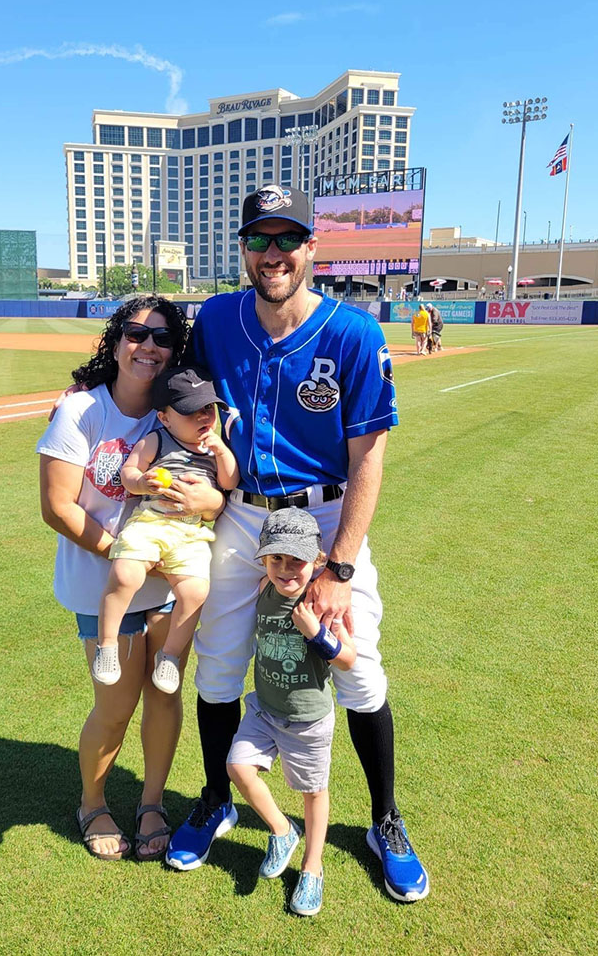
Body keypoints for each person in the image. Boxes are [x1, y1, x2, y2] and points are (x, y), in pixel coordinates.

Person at [166, 184, 430, 903]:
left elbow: (369, 455)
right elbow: (180, 399)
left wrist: (340, 562)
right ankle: (216, 799)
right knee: (218, 668)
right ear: (244, 248)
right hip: (243, 514)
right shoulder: (217, 318)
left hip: (323, 518)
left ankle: (385, 820)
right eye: (260, 239)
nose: (273, 253)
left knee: (357, 667)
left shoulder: (355, 332)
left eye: (288, 238)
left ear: (314, 246)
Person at [37, 297, 225, 862]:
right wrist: (127, 554)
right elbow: (57, 507)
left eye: (163, 338)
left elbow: (220, 491)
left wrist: (211, 501)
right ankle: (92, 801)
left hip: (170, 580)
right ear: (116, 341)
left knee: (163, 698)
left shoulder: (184, 410)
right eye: (137, 333)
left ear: (176, 351)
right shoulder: (80, 411)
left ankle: (150, 802)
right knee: (115, 706)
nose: (149, 346)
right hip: (105, 582)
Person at [227, 507, 356, 917]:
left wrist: (317, 635)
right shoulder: (266, 585)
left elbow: (349, 659)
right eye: (276, 558)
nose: (285, 569)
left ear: (317, 561)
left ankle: (312, 868)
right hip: (264, 709)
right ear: (264, 559)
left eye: (296, 560)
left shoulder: (320, 602)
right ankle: (283, 831)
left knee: (313, 792)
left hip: (308, 720)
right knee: (238, 767)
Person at [95, 366, 239, 693]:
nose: (203, 416)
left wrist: (219, 450)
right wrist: (142, 482)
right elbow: (130, 472)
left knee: (195, 592)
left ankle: (170, 656)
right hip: (152, 523)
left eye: (208, 408)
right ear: (165, 418)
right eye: (191, 411)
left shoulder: (215, 449)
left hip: (191, 533)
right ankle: (107, 644)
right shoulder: (157, 440)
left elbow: (229, 482)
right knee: (125, 575)